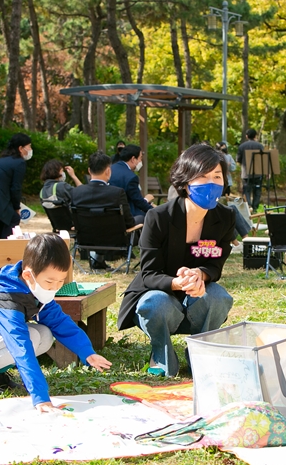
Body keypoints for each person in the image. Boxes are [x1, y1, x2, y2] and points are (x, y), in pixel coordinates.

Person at [0, 234, 112, 409]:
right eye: (49, 281)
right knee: (32, 337)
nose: (54, 288)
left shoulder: (35, 290)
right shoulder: (6, 298)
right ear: (28, 275)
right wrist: (40, 397)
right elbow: (20, 346)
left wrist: (87, 352)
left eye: (60, 281)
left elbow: (60, 323)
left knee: (45, 334)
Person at [117, 144, 235, 377]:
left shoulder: (225, 217)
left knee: (220, 297)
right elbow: (149, 273)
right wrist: (178, 282)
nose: (211, 183)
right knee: (155, 303)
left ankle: (200, 352)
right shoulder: (158, 217)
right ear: (185, 182)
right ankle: (161, 354)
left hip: (197, 297)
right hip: (160, 294)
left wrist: (199, 275)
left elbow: (214, 264)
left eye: (217, 176)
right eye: (202, 176)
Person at [71, 151, 135, 270]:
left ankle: (98, 261)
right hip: (115, 239)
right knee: (140, 219)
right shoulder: (117, 192)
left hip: (85, 238)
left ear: (89, 171)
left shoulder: (76, 192)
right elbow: (129, 222)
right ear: (108, 171)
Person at [109, 144, 154, 225]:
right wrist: (154, 210)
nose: (141, 162)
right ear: (133, 159)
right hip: (125, 218)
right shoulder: (131, 177)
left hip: (109, 216)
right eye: (140, 158)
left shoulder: (110, 169)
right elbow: (138, 201)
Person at [237, 128, 264, 211]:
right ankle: (255, 207)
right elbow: (264, 159)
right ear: (255, 136)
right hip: (258, 172)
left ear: (246, 136)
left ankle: (248, 206)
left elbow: (238, 159)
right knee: (257, 190)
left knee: (246, 190)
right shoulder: (260, 146)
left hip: (246, 172)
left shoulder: (242, 146)